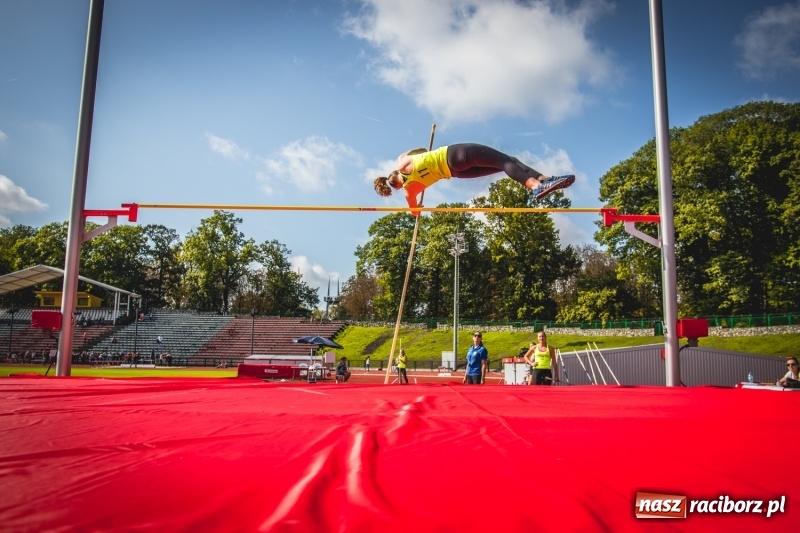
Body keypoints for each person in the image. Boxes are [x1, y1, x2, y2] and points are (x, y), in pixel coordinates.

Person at [373, 144, 575, 215]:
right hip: (454, 155)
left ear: (396, 187)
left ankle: (542, 179)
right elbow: (421, 150)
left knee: (506, 163)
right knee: (504, 161)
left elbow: (414, 212)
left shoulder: (410, 191)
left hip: (457, 172)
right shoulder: (402, 161)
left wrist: (416, 210)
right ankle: (536, 185)